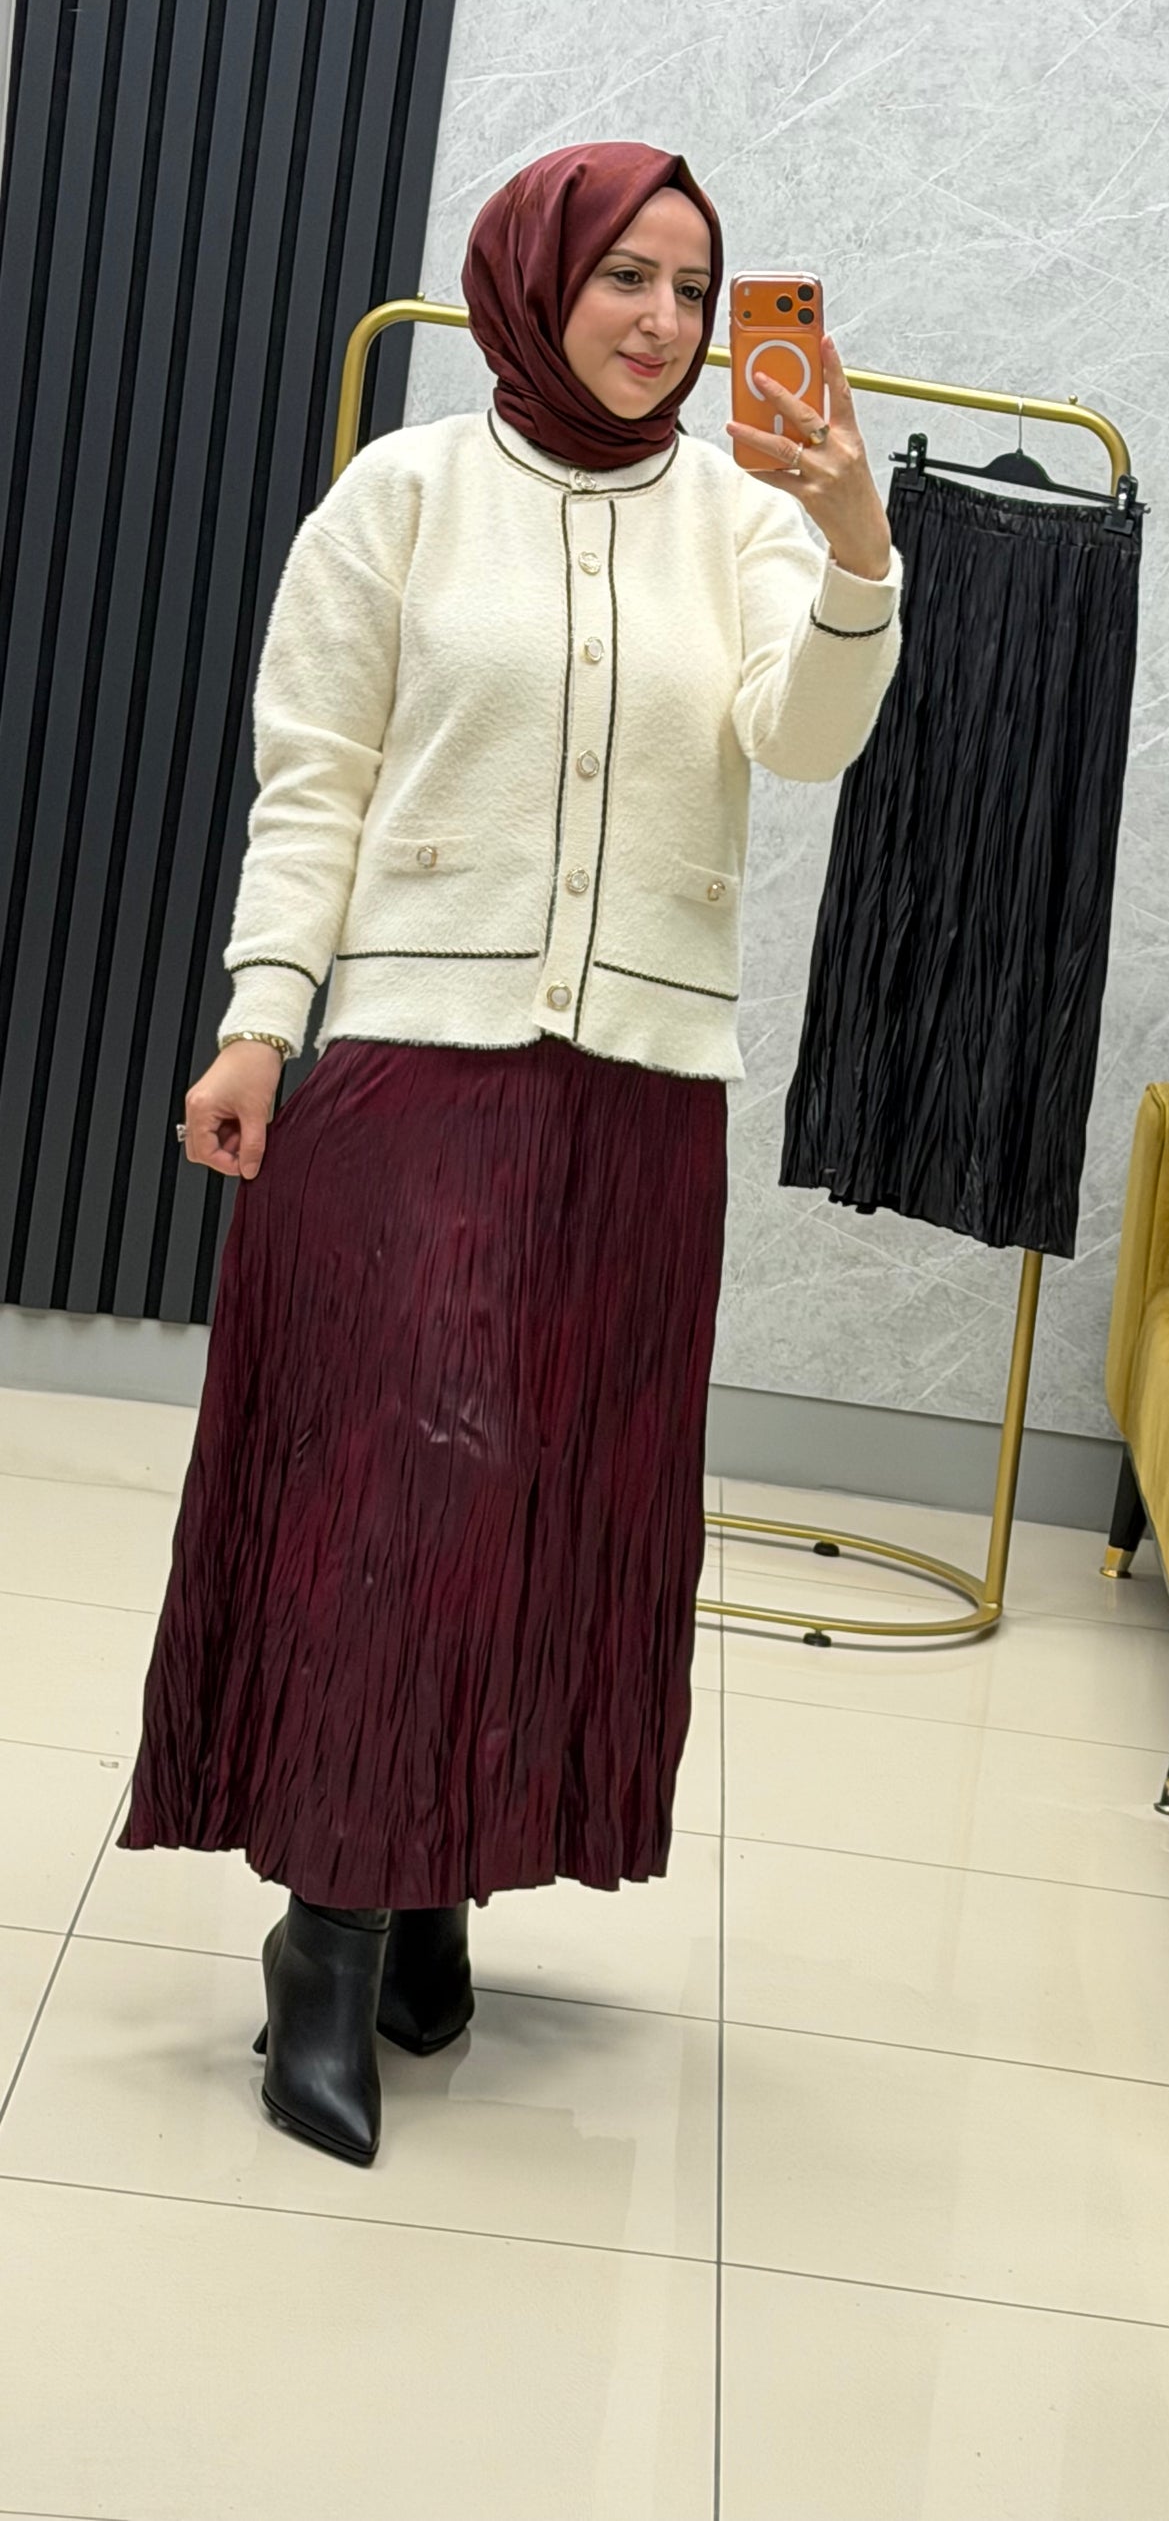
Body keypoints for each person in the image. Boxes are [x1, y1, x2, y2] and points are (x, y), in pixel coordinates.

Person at [116, 140, 903, 2168]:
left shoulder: (746, 516)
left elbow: (800, 737)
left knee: (552, 1497)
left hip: (637, 1095)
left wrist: (853, 550)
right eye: (624, 274)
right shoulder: (401, 494)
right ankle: (329, 1927)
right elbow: (317, 777)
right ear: (533, 276)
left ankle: (440, 1870)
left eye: (693, 289)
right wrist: (260, 1016)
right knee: (398, 1502)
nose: (661, 321)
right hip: (410, 1074)